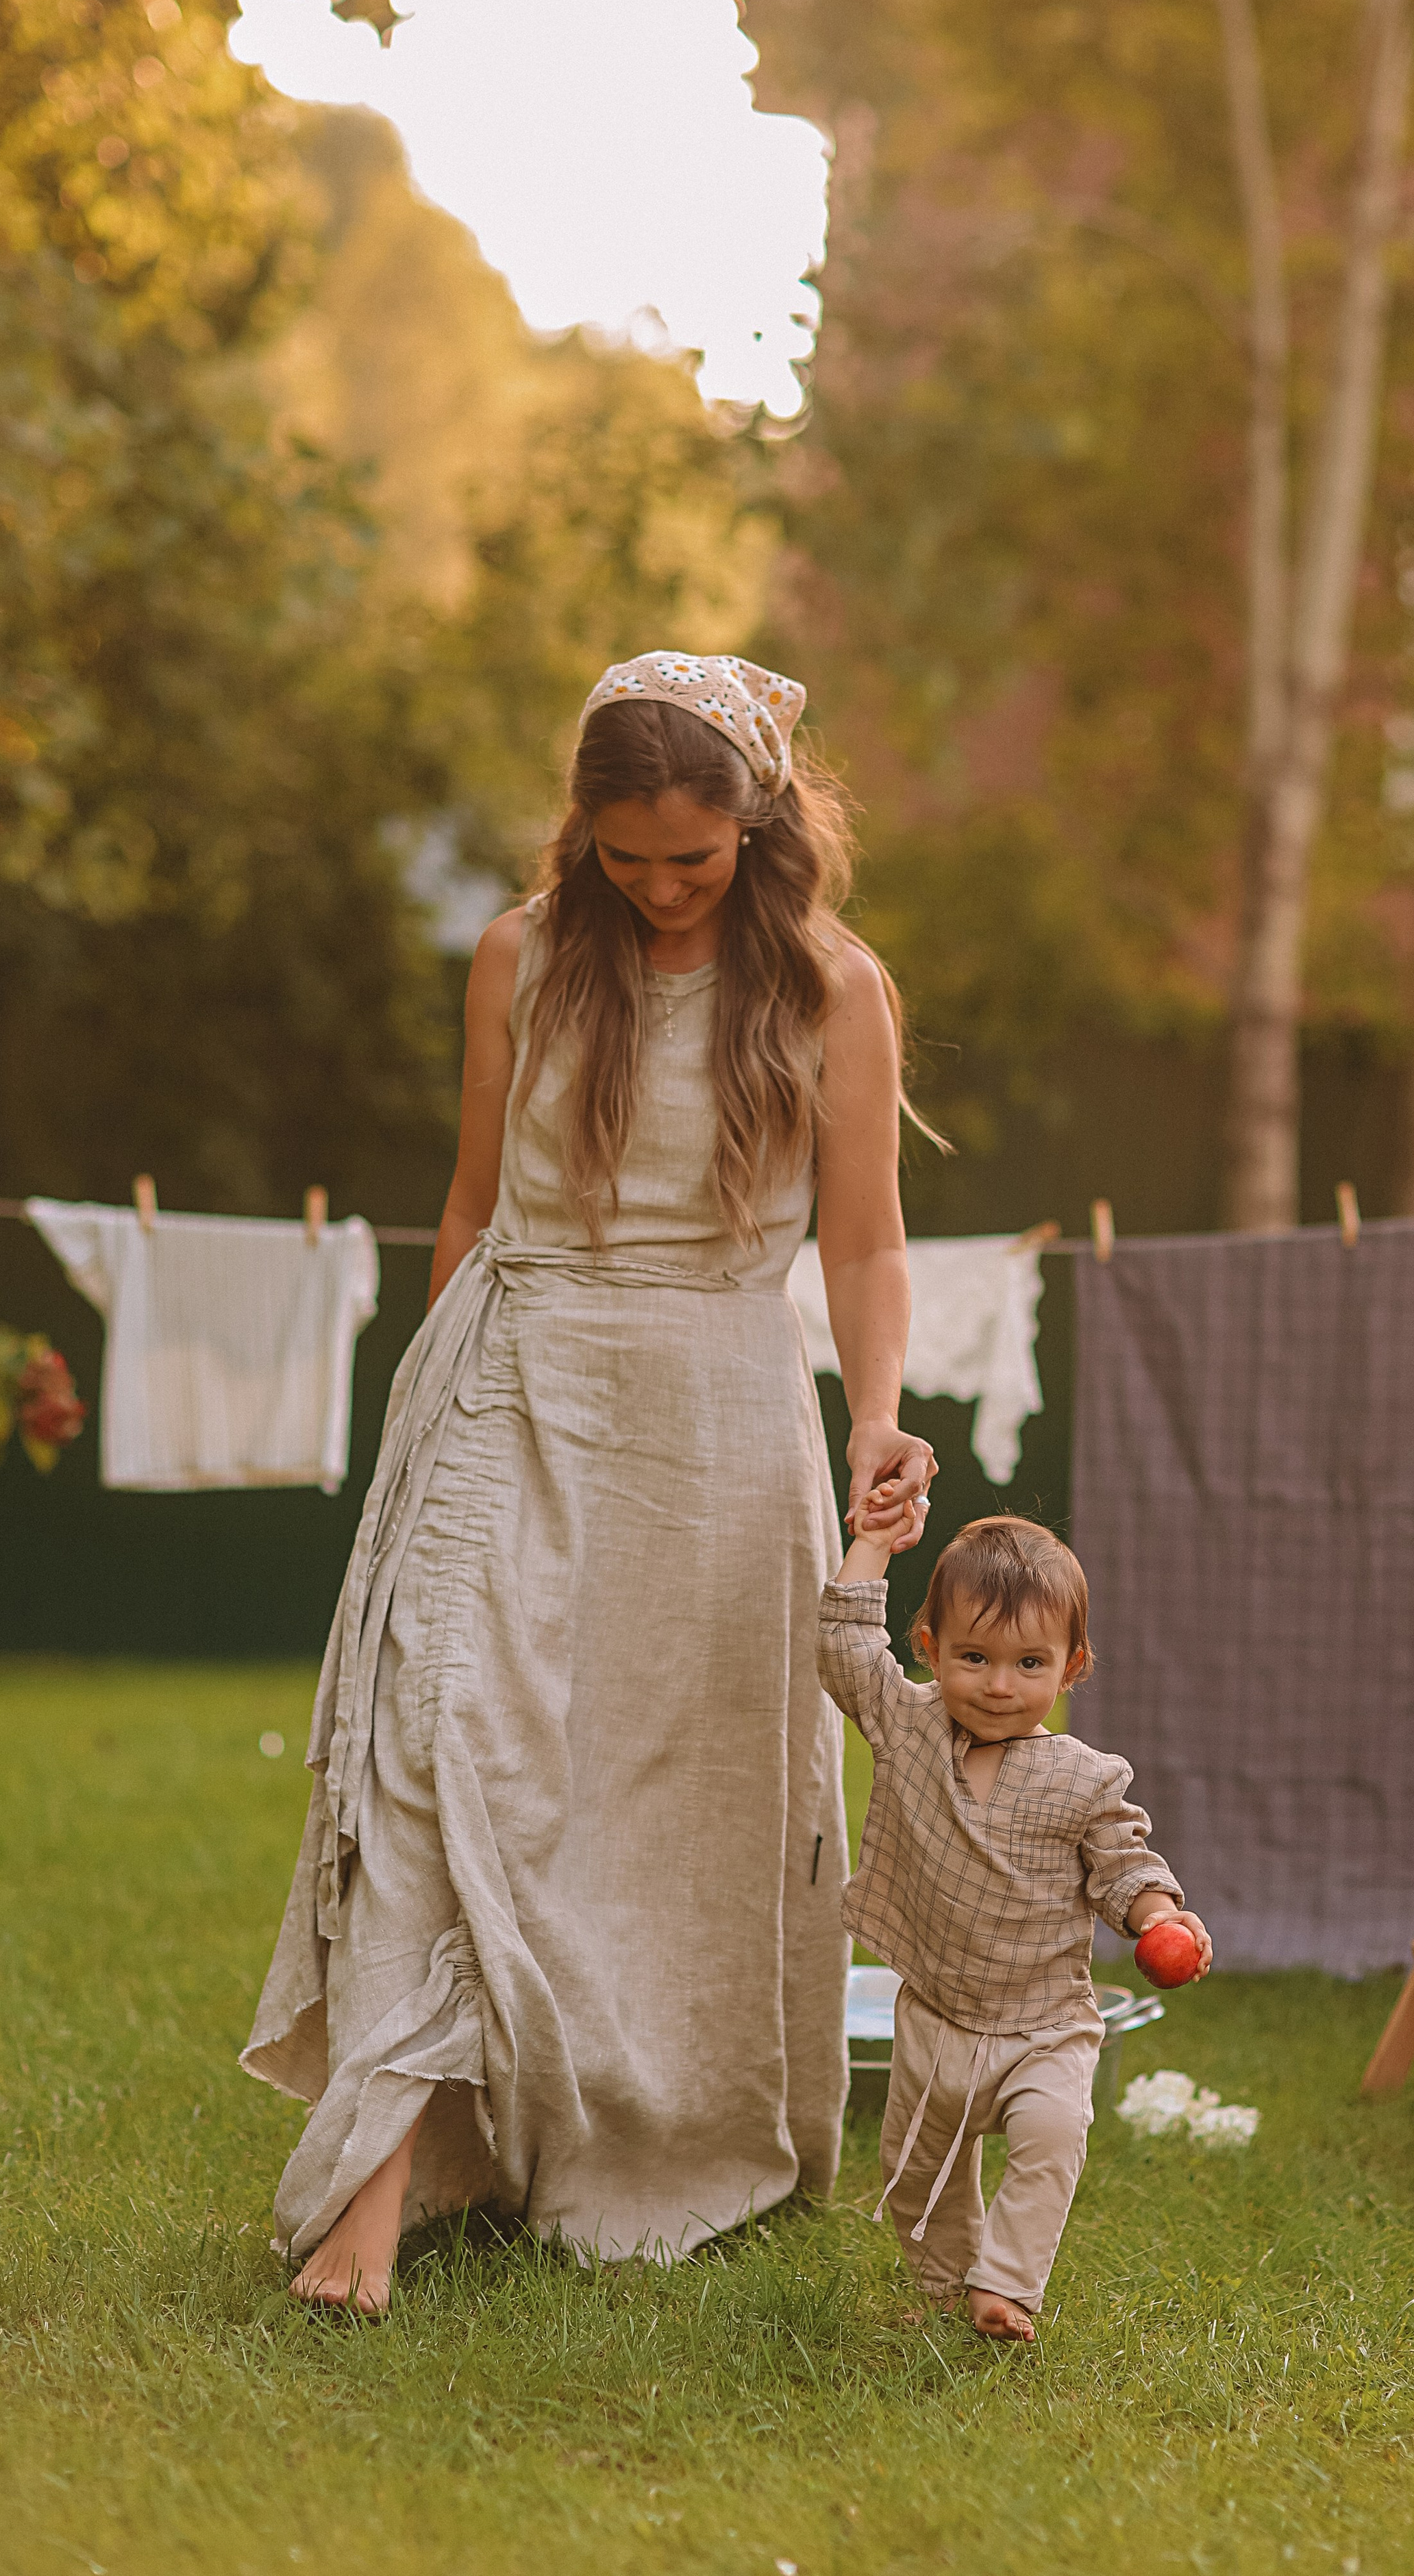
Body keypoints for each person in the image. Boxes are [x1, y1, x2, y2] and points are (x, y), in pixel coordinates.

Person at [242, 651, 938, 2314]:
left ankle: (645, 2120)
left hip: (715, 1415)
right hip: (512, 1375)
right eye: (624, 857)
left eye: (690, 858)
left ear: (758, 824)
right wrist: (423, 1415)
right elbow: (471, 1201)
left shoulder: (831, 985)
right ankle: (378, 2183)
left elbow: (863, 1237)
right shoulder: (521, 955)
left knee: (671, 1795)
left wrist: (875, 1418)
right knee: (438, 1748)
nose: (658, 887)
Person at [820, 1501, 1212, 2342]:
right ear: (929, 1649)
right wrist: (875, 1542)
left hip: (1044, 2022)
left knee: (1053, 2134)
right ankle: (945, 2289)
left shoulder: (1085, 1778)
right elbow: (846, 1650)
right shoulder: (909, 1727)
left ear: (1072, 1667)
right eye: (974, 1658)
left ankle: (1005, 2286)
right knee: (917, 2172)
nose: (999, 1686)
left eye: (1029, 1663)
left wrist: (1159, 1916)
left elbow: (1123, 1865)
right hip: (937, 2012)